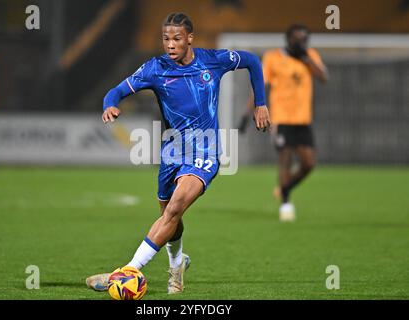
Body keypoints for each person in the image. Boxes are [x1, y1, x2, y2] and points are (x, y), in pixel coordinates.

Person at [86, 12, 271, 295]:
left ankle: (128, 270)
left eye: (176, 38)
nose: (170, 44)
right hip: (172, 152)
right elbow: (115, 92)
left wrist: (260, 103)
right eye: (165, 38)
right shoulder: (155, 68)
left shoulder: (213, 60)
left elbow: (253, 61)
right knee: (169, 218)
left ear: (190, 39)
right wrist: (109, 105)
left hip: (205, 150)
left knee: (173, 210)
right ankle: (177, 263)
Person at [240, 24, 328, 222]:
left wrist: (305, 58)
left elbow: (323, 77)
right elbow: (259, 85)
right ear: (288, 39)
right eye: (298, 39)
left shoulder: (310, 55)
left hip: (303, 119)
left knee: (308, 164)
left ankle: (284, 188)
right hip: (281, 118)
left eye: (305, 39)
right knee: (285, 160)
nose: (302, 43)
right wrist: (248, 113)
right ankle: (286, 204)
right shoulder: (273, 58)